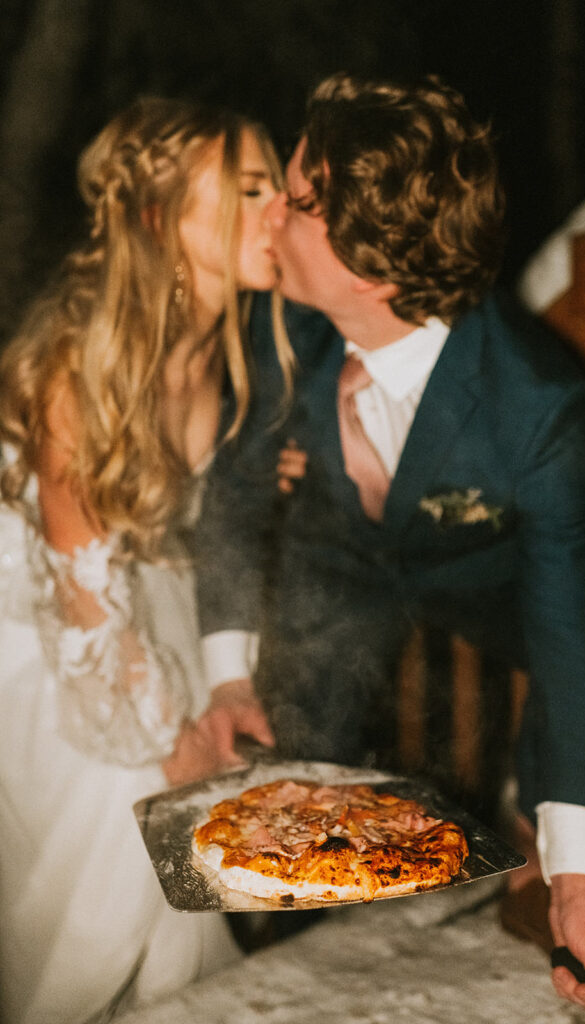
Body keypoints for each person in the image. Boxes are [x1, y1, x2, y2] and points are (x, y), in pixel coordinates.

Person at [194, 73, 585, 1014]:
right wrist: (230, 674)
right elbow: (236, 489)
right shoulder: (278, 311)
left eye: (297, 197)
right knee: (291, 762)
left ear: (367, 267)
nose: (269, 210)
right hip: (333, 572)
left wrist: (579, 879)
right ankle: (280, 940)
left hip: (483, 583)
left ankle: (535, 840)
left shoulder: (538, 409)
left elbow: (563, 644)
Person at [0, 95, 290, 1023]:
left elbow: (203, 530)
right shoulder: (80, 362)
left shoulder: (236, 345)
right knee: (132, 820)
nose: (281, 209)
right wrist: (173, 738)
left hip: (144, 585)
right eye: (250, 190)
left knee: (202, 823)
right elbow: (83, 605)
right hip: (44, 609)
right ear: (163, 215)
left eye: (280, 186)